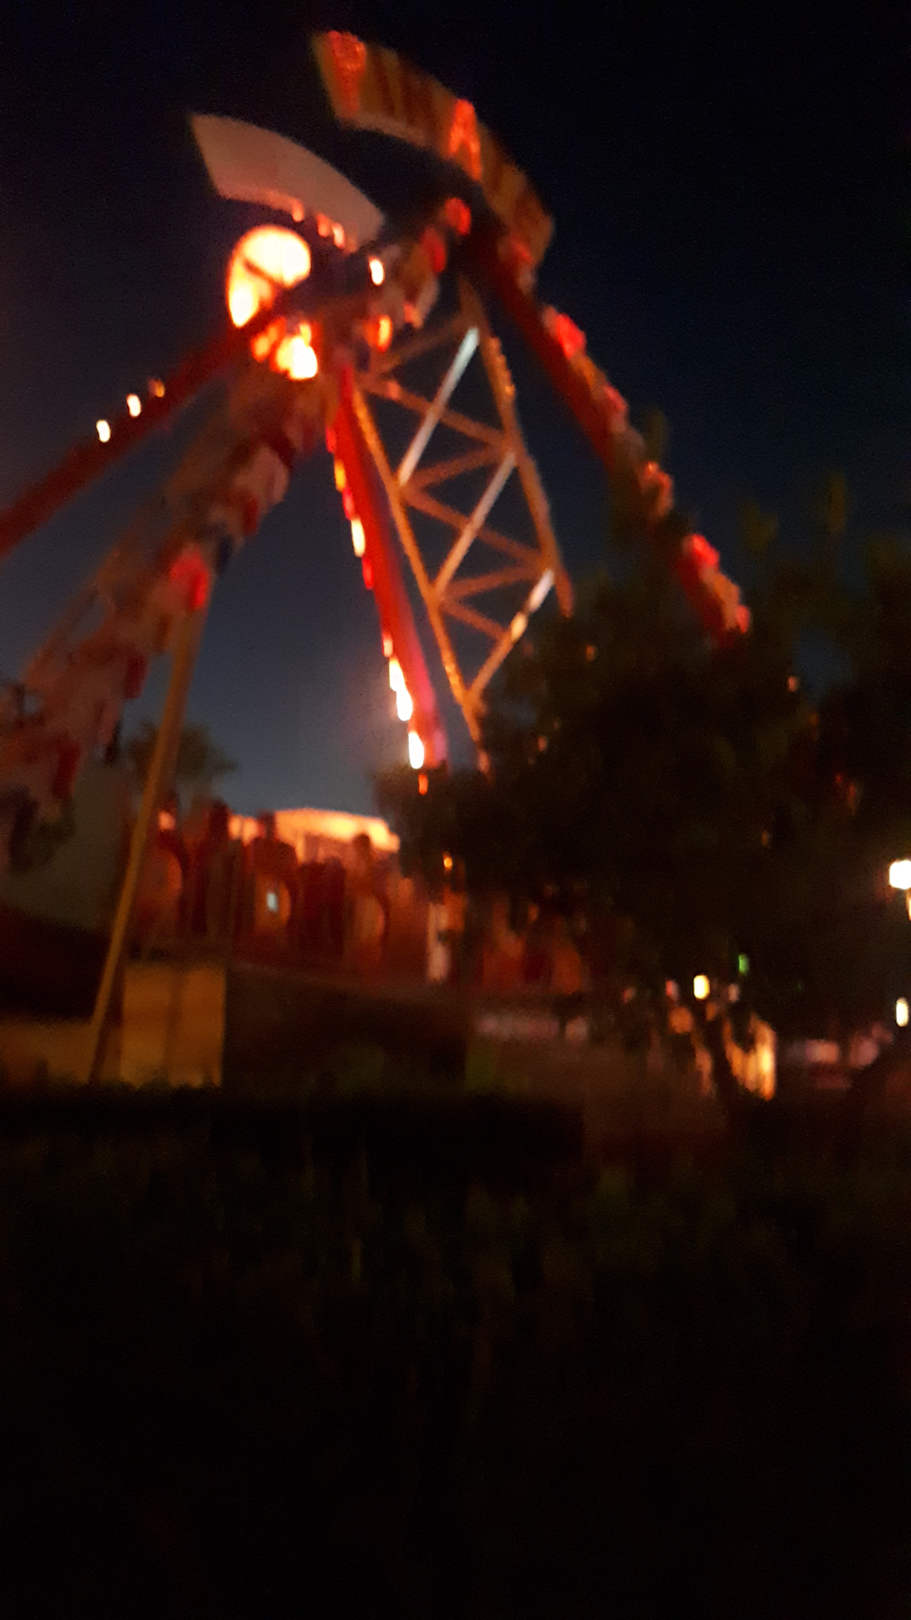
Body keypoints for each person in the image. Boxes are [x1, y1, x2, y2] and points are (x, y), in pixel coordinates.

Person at [345, 832, 388, 976]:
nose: (355, 849)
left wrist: (356, 884)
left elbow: (369, 884)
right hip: (362, 902)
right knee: (361, 936)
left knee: (366, 937)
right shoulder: (361, 862)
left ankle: (366, 968)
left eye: (357, 846)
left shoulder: (369, 863)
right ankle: (360, 967)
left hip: (368, 904)